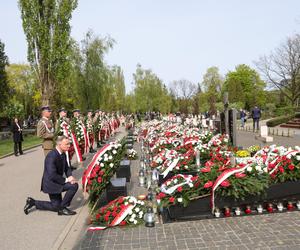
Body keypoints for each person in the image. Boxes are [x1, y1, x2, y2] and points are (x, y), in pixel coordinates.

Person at [24, 136, 78, 216]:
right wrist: (66, 180)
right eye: (67, 144)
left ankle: (61, 207)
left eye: (69, 144)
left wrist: (70, 176)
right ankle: (61, 208)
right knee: (56, 206)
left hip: (58, 182)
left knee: (74, 185)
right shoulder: (51, 156)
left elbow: (67, 168)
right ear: (59, 144)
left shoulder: (63, 153)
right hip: (51, 184)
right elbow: (52, 175)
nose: (69, 146)